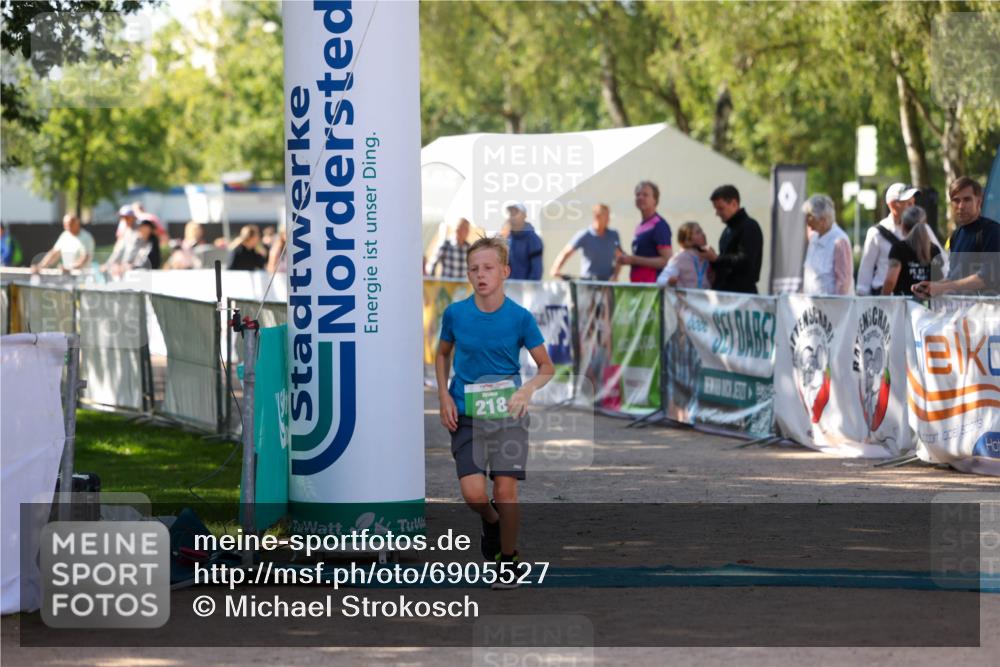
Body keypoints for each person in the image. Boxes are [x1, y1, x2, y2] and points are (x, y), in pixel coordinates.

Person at [435, 236, 554, 586]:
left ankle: (508, 559)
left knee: (505, 490)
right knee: (474, 494)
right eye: (474, 269)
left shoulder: (520, 318)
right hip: (466, 413)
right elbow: (442, 354)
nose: (480, 274)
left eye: (488, 268)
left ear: (505, 271)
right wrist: (443, 396)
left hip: (507, 415)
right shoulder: (456, 314)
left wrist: (526, 390)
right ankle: (490, 520)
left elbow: (546, 366)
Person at [914, 177, 1000, 297]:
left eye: (967, 199)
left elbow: (987, 277)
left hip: (987, 312)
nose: (961, 206)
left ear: (979, 201)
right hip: (961, 312)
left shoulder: (993, 231)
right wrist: (931, 286)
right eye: (956, 200)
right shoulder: (956, 235)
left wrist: (943, 287)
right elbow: (954, 277)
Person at [700, 185, 763, 293]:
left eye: (720, 208)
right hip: (725, 293)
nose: (717, 213)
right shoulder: (728, 230)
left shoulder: (749, 227)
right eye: (716, 209)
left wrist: (717, 259)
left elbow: (746, 261)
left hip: (741, 295)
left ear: (734, 204)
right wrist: (712, 259)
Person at [549, 204, 622, 281]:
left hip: (606, 284)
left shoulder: (613, 235)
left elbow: (619, 257)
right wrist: (555, 269)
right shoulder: (585, 235)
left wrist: (615, 276)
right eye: (606, 216)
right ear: (597, 216)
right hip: (588, 282)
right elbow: (566, 252)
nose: (609, 219)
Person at [616, 181, 672, 283]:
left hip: (653, 288)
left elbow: (666, 260)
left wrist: (633, 260)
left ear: (655, 200)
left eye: (645, 195)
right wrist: (626, 258)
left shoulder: (659, 225)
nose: (640, 197)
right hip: (639, 286)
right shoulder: (639, 226)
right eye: (638, 195)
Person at [881, 206, 943, 296]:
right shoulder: (934, 249)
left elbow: (890, 281)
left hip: (904, 304)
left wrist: (882, 299)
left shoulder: (899, 248)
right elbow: (939, 280)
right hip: (928, 304)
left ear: (903, 226)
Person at [802, 194, 854, 295]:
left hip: (831, 308)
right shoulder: (814, 237)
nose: (806, 220)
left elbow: (843, 284)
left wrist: (835, 308)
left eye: (809, 216)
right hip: (811, 308)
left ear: (822, 220)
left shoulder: (839, 241)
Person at [656, 222, 712, 289]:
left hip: (705, 298)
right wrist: (669, 281)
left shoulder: (708, 255)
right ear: (687, 239)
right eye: (698, 232)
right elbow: (660, 280)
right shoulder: (680, 258)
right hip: (686, 298)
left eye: (701, 231)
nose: (703, 234)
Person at [501, 203, 544, 280]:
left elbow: (536, 271)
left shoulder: (533, 239)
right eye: (511, 213)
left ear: (524, 216)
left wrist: (528, 289)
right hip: (509, 288)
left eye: (515, 213)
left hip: (527, 290)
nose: (512, 216)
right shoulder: (507, 239)